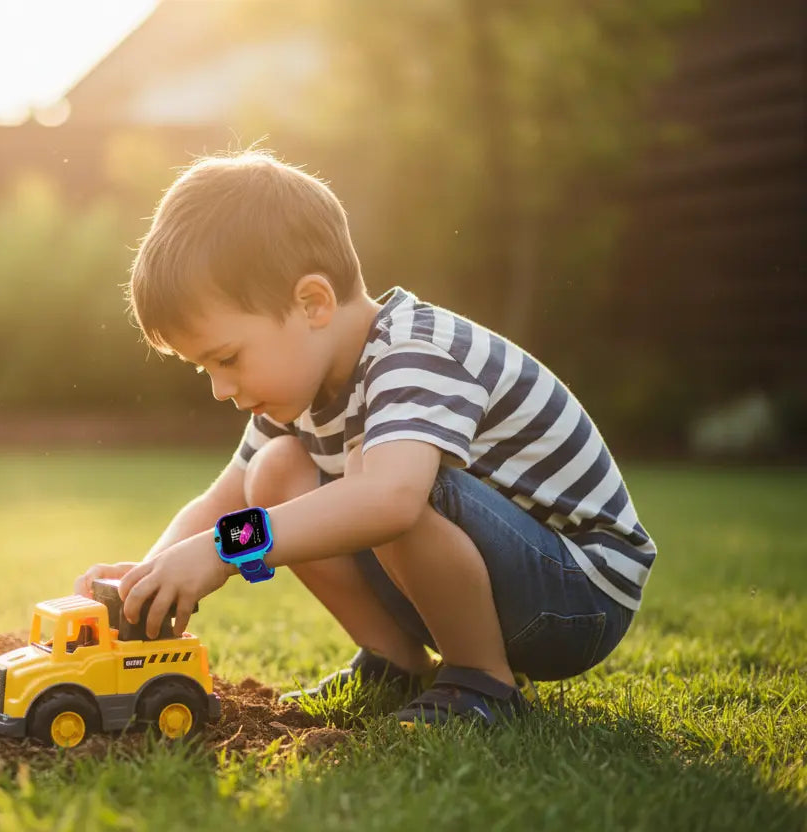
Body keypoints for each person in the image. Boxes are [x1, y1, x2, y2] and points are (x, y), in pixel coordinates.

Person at [73, 150, 654, 726]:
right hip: (494, 583)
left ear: (312, 303)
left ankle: (483, 682)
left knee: (384, 480)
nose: (221, 390)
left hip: (578, 596)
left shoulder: (413, 352)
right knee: (273, 471)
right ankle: (395, 661)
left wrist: (223, 550)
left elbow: (390, 501)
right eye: (206, 370)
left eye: (227, 358)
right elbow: (221, 503)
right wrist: (146, 577)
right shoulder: (299, 390)